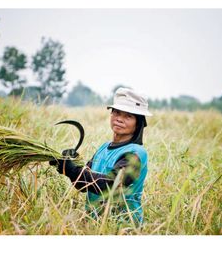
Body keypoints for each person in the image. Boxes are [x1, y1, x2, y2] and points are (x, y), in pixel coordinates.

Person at [50, 87, 151, 223]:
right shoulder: (104, 148)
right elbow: (83, 184)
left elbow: (111, 185)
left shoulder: (135, 154)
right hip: (94, 222)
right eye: (116, 113)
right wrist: (68, 163)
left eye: (128, 116)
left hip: (122, 226)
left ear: (138, 123)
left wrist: (73, 170)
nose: (119, 119)